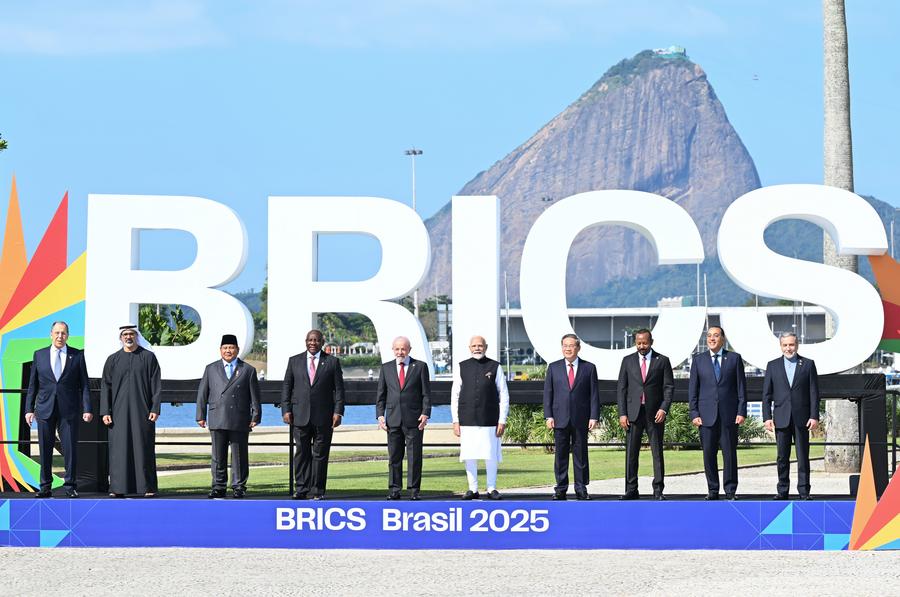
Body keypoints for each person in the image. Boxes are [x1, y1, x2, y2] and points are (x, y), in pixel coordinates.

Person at [24, 321, 92, 498]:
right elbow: (33, 385)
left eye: (63, 333)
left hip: (69, 410)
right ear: (51, 334)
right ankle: (45, 487)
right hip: (44, 409)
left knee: (70, 449)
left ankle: (70, 486)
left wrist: (87, 408)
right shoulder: (39, 355)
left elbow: (84, 384)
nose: (60, 336)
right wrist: (29, 409)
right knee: (45, 449)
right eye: (57, 333)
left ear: (68, 335)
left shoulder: (77, 355)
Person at [282, 329, 345, 500]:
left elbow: (339, 390)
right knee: (302, 453)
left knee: (320, 454)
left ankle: (317, 490)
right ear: (306, 341)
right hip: (299, 415)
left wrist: (338, 412)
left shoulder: (332, 362)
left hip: (324, 416)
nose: (313, 343)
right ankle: (301, 488)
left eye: (316, 340)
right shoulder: (294, 361)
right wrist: (286, 410)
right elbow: (287, 387)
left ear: (322, 342)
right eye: (310, 340)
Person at [196, 334, 261, 499]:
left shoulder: (248, 370)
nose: (228, 351)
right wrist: (200, 415)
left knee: (239, 455)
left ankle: (239, 487)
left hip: (239, 418)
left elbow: (255, 396)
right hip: (217, 416)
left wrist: (256, 416)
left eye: (231, 348)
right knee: (218, 456)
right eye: (225, 348)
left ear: (237, 350)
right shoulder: (211, 369)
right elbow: (203, 394)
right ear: (220, 350)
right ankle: (218, 486)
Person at [100, 324, 162, 497]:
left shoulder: (148, 357)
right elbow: (105, 386)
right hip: (118, 414)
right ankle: (117, 488)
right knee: (119, 450)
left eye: (132, 334)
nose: (128, 337)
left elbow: (156, 385)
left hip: (143, 412)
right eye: (125, 334)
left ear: (137, 336)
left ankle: (147, 487)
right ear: (121, 338)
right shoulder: (112, 359)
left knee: (143, 447)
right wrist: (105, 411)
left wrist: (155, 408)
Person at [688, 326, 747, 500]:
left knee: (729, 454)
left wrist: (741, 411)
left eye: (715, 336)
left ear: (723, 339)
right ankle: (713, 490)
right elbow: (693, 390)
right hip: (706, 416)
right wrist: (694, 413)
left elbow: (741, 388)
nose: (712, 339)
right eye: (709, 336)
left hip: (729, 416)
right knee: (708, 454)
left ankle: (730, 491)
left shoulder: (734, 359)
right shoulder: (698, 360)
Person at [616, 328, 674, 500]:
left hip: (655, 414)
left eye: (645, 343)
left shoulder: (662, 361)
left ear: (651, 342)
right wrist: (622, 413)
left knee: (657, 453)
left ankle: (658, 490)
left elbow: (668, 388)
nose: (642, 346)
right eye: (639, 343)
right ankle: (631, 489)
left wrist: (663, 408)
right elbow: (621, 389)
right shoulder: (627, 361)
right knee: (631, 454)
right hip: (633, 414)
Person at [451, 335, 510, 500]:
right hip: (467, 418)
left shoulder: (495, 366)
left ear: (486, 347)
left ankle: (491, 488)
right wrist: (455, 420)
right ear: (469, 348)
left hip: (490, 418)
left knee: (491, 455)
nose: (477, 348)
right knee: (469, 455)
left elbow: (504, 394)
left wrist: (502, 420)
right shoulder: (461, 367)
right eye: (474, 346)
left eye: (480, 345)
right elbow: (455, 395)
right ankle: (473, 488)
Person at [763, 332, 819, 500]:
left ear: (797, 345)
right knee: (782, 457)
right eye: (785, 345)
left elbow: (814, 393)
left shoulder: (808, 364)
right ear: (781, 346)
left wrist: (814, 416)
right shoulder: (772, 366)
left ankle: (804, 491)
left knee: (803, 456)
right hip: (781, 418)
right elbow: (766, 395)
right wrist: (767, 417)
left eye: (791, 345)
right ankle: (782, 490)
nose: (788, 348)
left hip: (803, 419)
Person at [543, 334, 599, 500]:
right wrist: (548, 416)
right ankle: (560, 489)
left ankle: (581, 488)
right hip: (559, 418)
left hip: (581, 419)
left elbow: (594, 395)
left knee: (580, 455)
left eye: (571, 345)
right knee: (560, 456)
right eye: (565, 346)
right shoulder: (553, 368)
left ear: (578, 348)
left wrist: (594, 416)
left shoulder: (589, 368)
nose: (568, 349)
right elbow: (548, 394)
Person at [376, 336, 431, 500]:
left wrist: (425, 413)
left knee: (414, 457)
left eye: (403, 349)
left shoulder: (420, 366)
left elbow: (426, 394)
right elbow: (381, 395)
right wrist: (380, 415)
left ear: (409, 350)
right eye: (397, 349)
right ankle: (394, 490)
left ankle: (414, 491)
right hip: (392, 419)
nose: (400, 352)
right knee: (394, 457)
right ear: (393, 350)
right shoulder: (386, 368)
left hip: (414, 420)